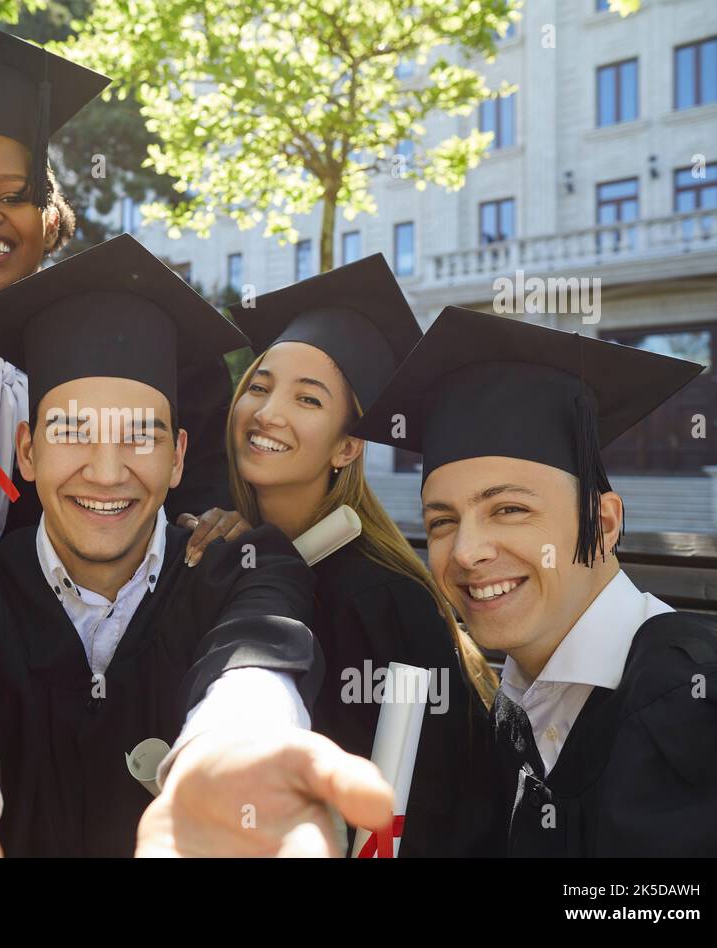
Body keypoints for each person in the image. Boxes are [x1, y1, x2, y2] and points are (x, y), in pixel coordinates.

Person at [0, 234, 394, 857]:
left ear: (178, 457)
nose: (107, 472)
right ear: (27, 450)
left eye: (140, 435)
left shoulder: (241, 570)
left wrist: (239, 744)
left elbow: (254, 657)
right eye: (73, 430)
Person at [0, 6, 242, 560]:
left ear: (51, 216)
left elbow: (203, 491)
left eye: (12, 195)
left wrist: (204, 520)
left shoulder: (145, 349)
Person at [355, 305, 717, 856]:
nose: (466, 553)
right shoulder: (517, 706)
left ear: (604, 522)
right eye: (442, 521)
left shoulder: (706, 710)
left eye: (510, 509)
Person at [226, 254, 502, 856]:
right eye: (260, 386)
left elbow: (440, 799)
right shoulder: (226, 553)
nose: (267, 413)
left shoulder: (380, 597)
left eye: (307, 399)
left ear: (347, 447)